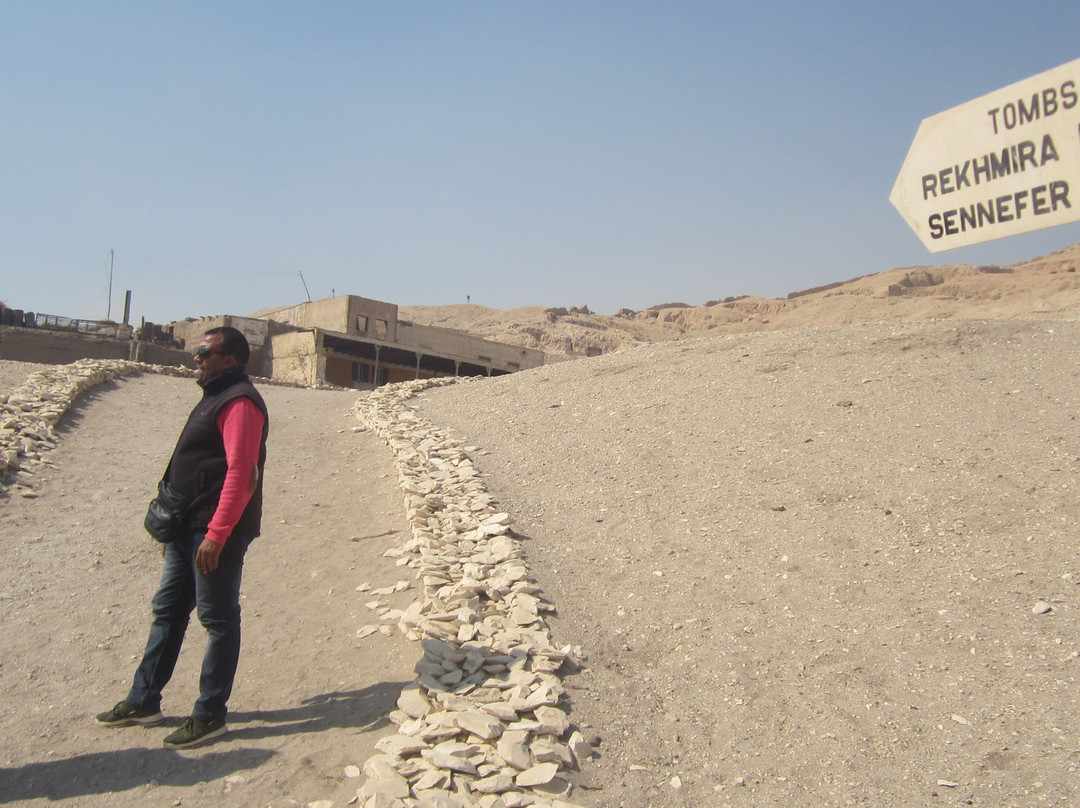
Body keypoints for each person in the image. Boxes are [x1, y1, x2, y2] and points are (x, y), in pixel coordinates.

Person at [96, 326, 269, 749]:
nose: (197, 358)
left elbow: (242, 475)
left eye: (204, 352)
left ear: (230, 359)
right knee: (168, 612)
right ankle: (144, 701)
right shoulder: (214, 394)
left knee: (218, 620)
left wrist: (217, 534)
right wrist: (174, 527)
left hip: (213, 534)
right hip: (186, 529)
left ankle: (210, 715)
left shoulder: (240, 402)